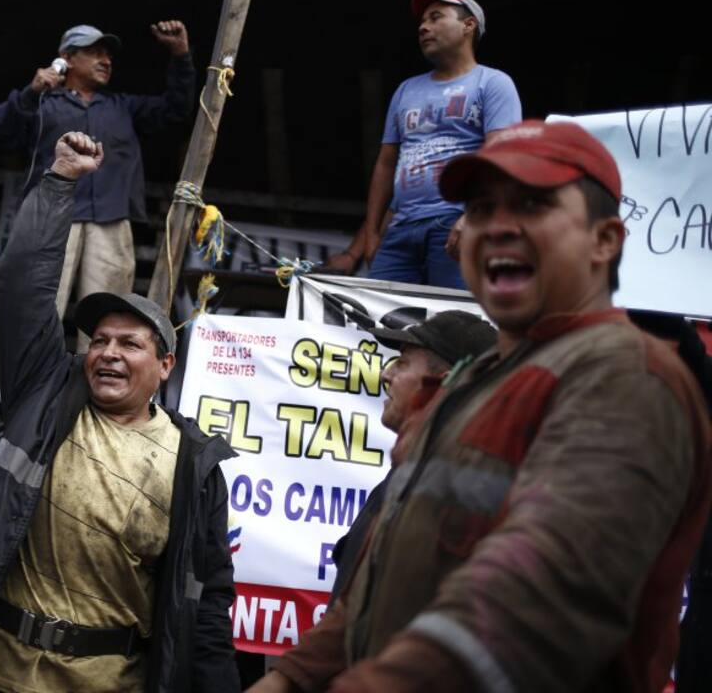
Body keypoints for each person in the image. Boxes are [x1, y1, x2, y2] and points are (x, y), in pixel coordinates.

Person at [249, 119, 712, 692]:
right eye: (481, 208)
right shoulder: (473, 384)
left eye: (532, 204)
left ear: (605, 241)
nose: (498, 226)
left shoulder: (626, 378)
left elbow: (530, 602)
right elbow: (379, 585)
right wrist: (289, 679)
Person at [0, 132, 238, 693]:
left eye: (130, 344)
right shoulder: (47, 393)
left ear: (165, 366)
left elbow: (205, 599)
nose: (108, 352)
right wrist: (59, 180)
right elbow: (22, 285)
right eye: (100, 340)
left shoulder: (194, 465)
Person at [0, 21, 196, 332]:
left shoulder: (122, 107)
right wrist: (30, 93)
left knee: (108, 320)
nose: (106, 61)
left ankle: (99, 367)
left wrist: (181, 55)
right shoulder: (42, 102)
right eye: (94, 53)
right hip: (51, 221)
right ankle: (33, 367)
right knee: (37, 312)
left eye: (108, 55)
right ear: (66, 58)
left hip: (110, 222)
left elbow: (178, 108)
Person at [325, 0, 521, 288]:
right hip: (401, 229)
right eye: (422, 21)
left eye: (435, 17)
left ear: (468, 26)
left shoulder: (493, 83)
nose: (423, 27)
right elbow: (386, 164)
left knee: (450, 316)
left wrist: (474, 215)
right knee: (384, 315)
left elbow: (502, 155)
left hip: (455, 222)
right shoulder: (406, 90)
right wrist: (373, 234)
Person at [328, 310, 495, 604]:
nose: (386, 374)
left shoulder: (455, 488)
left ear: (444, 384)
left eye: (402, 364)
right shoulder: (410, 471)